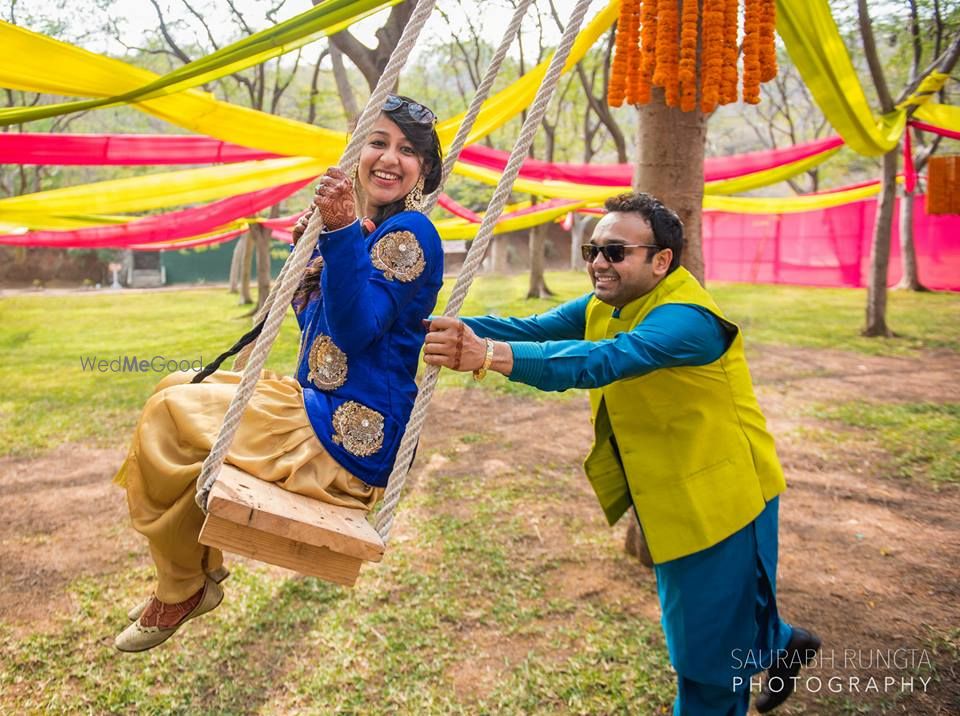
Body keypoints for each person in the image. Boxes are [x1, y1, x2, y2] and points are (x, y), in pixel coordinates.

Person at [422, 192, 821, 715]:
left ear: (662, 261)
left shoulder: (688, 321)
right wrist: (417, 327)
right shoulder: (606, 303)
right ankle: (783, 643)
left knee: (708, 660)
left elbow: (604, 360)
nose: (597, 263)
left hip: (724, 501)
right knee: (710, 622)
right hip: (671, 497)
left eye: (615, 252)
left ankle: (759, 658)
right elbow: (532, 329)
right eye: (593, 250)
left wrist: (489, 356)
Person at [113, 95, 444, 653]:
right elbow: (321, 328)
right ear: (357, 150)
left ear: (425, 170)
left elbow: (358, 329)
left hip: (342, 442)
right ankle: (193, 571)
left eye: (408, 150)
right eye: (379, 142)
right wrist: (316, 255)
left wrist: (338, 237)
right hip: (317, 405)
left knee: (169, 417)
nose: (390, 158)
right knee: (174, 388)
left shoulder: (409, 235)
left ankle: (182, 585)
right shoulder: (372, 230)